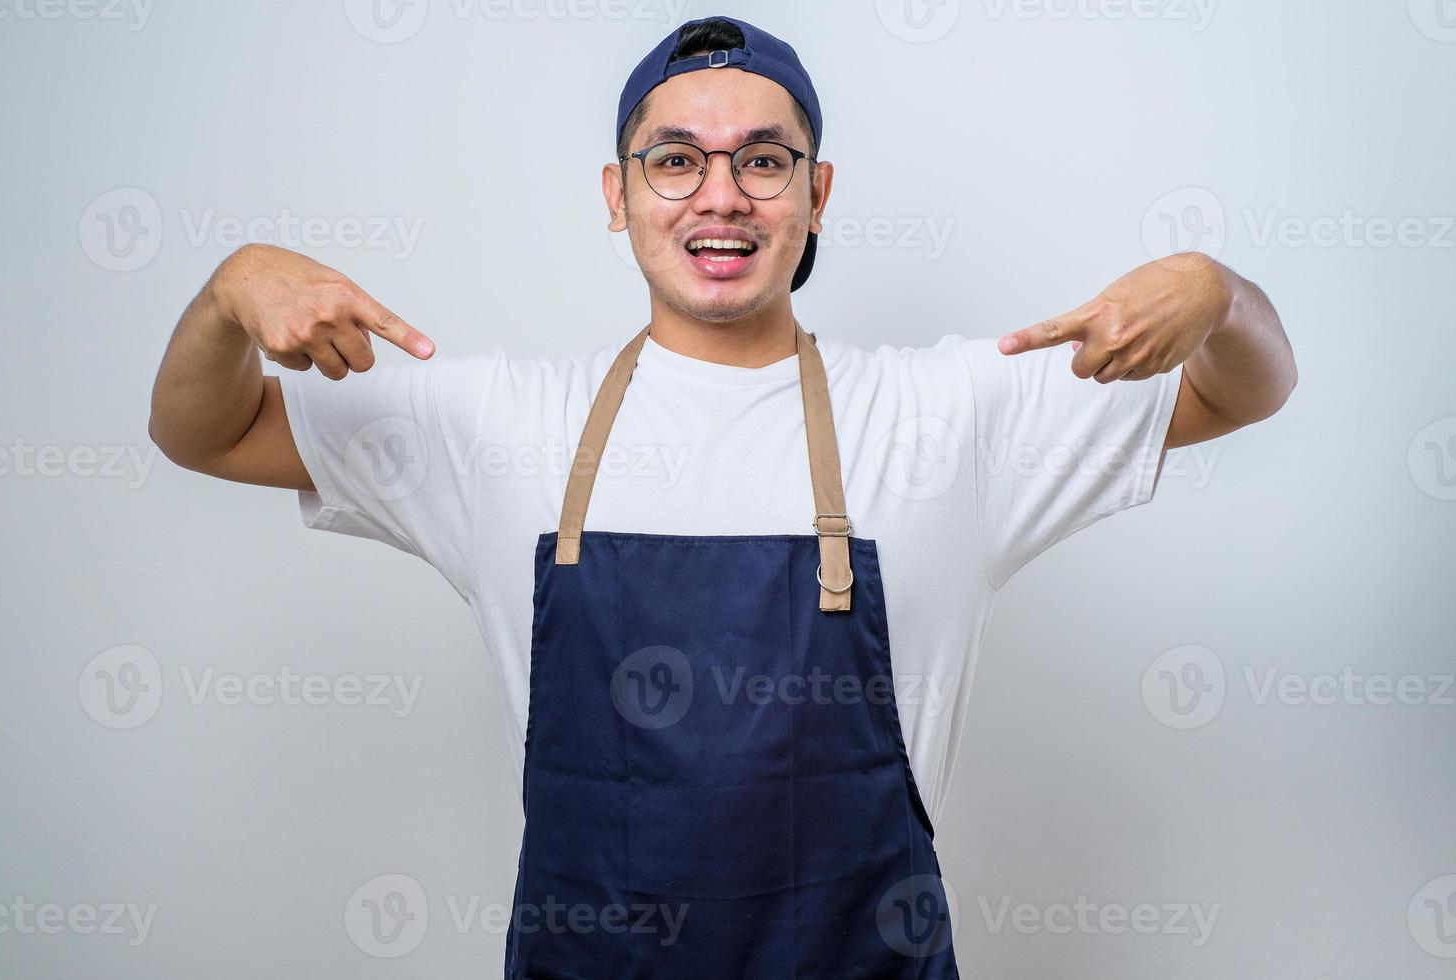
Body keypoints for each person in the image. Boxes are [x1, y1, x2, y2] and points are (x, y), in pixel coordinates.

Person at [147, 15, 1297, 978]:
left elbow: (1243, 388)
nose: (722, 195)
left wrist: (1217, 290)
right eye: (675, 158)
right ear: (619, 192)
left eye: (763, 158)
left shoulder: (948, 413)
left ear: (816, 190)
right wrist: (224, 290)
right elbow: (203, 429)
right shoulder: (498, 422)